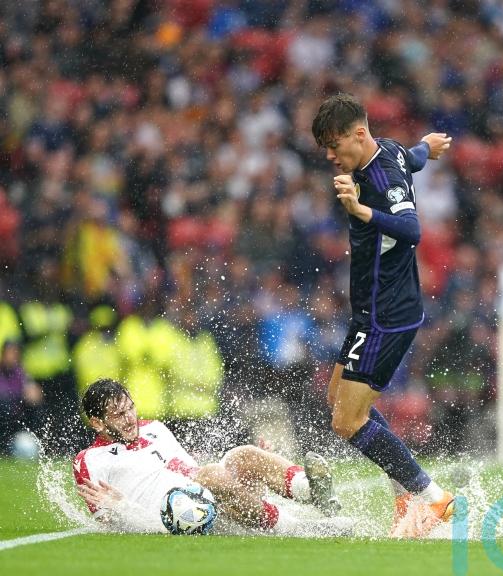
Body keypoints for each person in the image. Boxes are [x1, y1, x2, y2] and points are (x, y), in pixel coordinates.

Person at [311, 93, 453, 537]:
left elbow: (412, 230)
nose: (331, 156)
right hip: (369, 309)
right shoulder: (390, 149)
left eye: (335, 145)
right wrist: (427, 149)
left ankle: (433, 499)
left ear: (359, 134)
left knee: (347, 421)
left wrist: (359, 210)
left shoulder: (380, 175)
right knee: (340, 402)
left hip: (388, 313)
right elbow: (409, 158)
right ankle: (407, 494)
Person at [73, 378, 349, 536]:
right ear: (97, 423)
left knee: (245, 455)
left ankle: (311, 491)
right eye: (119, 414)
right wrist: (121, 509)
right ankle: (305, 529)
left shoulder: (155, 428)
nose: (130, 418)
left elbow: (184, 467)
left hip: (209, 492)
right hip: (176, 517)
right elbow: (106, 520)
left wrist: (246, 475)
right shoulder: (90, 460)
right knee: (214, 474)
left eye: (130, 408)